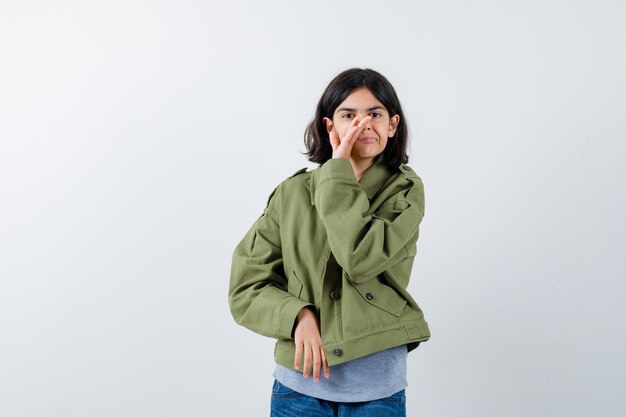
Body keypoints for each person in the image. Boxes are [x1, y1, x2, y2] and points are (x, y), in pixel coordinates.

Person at [229, 68, 430, 417]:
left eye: (375, 114)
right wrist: (297, 314)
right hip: (298, 389)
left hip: (377, 391)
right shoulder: (291, 194)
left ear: (392, 125)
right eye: (349, 114)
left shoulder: (405, 193)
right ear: (329, 126)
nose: (363, 124)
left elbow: (360, 257)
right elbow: (246, 287)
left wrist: (336, 175)